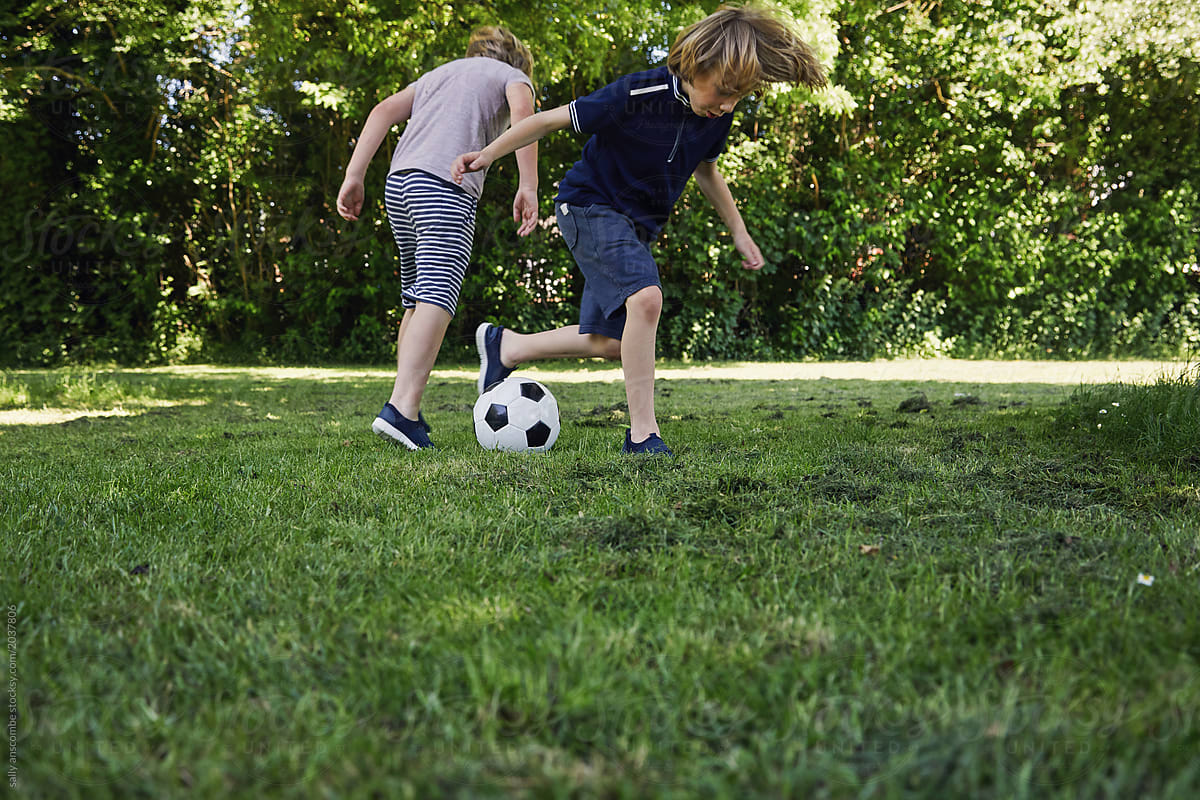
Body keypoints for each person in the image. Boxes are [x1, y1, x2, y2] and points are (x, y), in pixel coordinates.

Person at [453, 4, 827, 456]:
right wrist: (488, 154)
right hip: (589, 204)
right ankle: (643, 434)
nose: (728, 105)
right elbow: (548, 119)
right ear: (698, 62)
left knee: (611, 342)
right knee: (647, 298)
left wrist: (740, 232)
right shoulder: (638, 93)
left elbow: (708, 171)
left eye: (739, 97)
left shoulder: (717, 118)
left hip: (636, 226)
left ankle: (506, 347)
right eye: (725, 91)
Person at [336, 26, 540, 449]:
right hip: (445, 186)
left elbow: (380, 112)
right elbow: (526, 119)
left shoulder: (437, 74)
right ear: (518, 62)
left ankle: (406, 405)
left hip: (401, 185)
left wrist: (354, 176)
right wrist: (529, 185)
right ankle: (401, 409)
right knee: (438, 292)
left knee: (416, 297)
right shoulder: (513, 78)